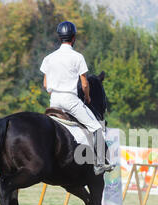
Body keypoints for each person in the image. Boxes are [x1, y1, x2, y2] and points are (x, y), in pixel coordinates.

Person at [40, 21, 114, 175]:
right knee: (97, 127)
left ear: (59, 37)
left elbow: (46, 84)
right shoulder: (77, 57)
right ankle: (100, 163)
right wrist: (87, 98)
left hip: (54, 101)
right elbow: (85, 84)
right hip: (70, 100)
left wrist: (55, 92)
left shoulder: (49, 58)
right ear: (73, 38)